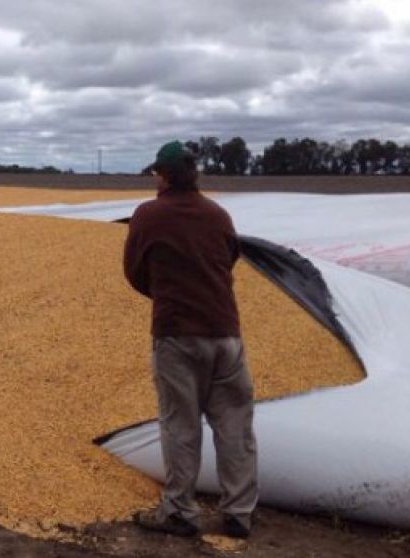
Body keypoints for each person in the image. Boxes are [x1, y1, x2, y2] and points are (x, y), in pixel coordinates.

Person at [122, 141, 258, 538]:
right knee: (235, 425)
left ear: (162, 176)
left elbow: (133, 270)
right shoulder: (218, 214)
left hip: (177, 333)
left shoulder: (149, 215)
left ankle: (180, 510)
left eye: (155, 174)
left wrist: (167, 293)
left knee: (180, 423)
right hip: (226, 332)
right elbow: (229, 258)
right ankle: (239, 513)